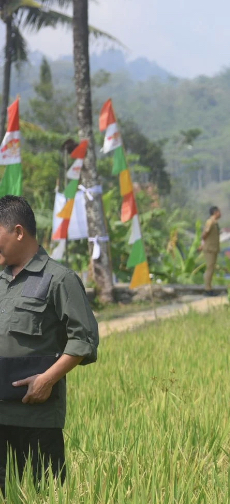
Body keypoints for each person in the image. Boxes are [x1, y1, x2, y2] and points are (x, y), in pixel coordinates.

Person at [0, 195, 99, 493]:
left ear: (18, 232)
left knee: (45, 494)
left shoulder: (59, 279)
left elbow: (84, 339)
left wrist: (47, 380)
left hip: (36, 418)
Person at [199, 206, 221, 296]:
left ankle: (209, 287)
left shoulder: (215, 223)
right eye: (219, 212)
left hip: (214, 249)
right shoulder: (210, 222)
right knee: (209, 268)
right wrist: (203, 244)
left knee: (212, 269)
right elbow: (205, 234)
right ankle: (207, 289)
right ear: (215, 212)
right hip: (209, 249)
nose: (220, 213)